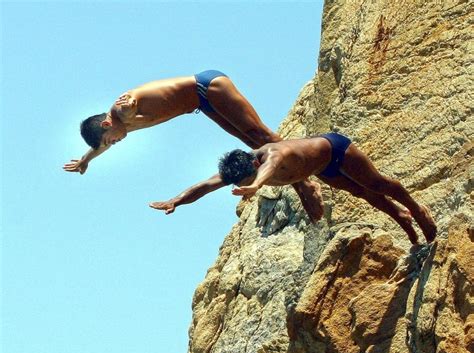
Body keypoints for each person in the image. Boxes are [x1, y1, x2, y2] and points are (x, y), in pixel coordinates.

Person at [63, 70, 323, 221]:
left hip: (209, 87)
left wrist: (129, 104)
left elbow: (128, 103)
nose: (115, 143)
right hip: (201, 104)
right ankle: (298, 179)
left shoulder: (122, 113)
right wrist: (87, 159)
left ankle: (303, 181)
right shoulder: (119, 128)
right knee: (250, 140)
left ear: (107, 124)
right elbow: (101, 145)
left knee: (259, 133)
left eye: (111, 140)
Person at [163, 133, 437, 244]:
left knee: (375, 183)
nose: (245, 186)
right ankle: (401, 217)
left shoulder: (271, 155)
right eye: (243, 184)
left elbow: (270, 168)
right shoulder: (239, 169)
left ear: (254, 164)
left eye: (248, 180)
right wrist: (176, 200)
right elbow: (204, 187)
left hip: (336, 150)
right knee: (362, 193)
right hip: (320, 168)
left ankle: (415, 208)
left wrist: (256, 185)